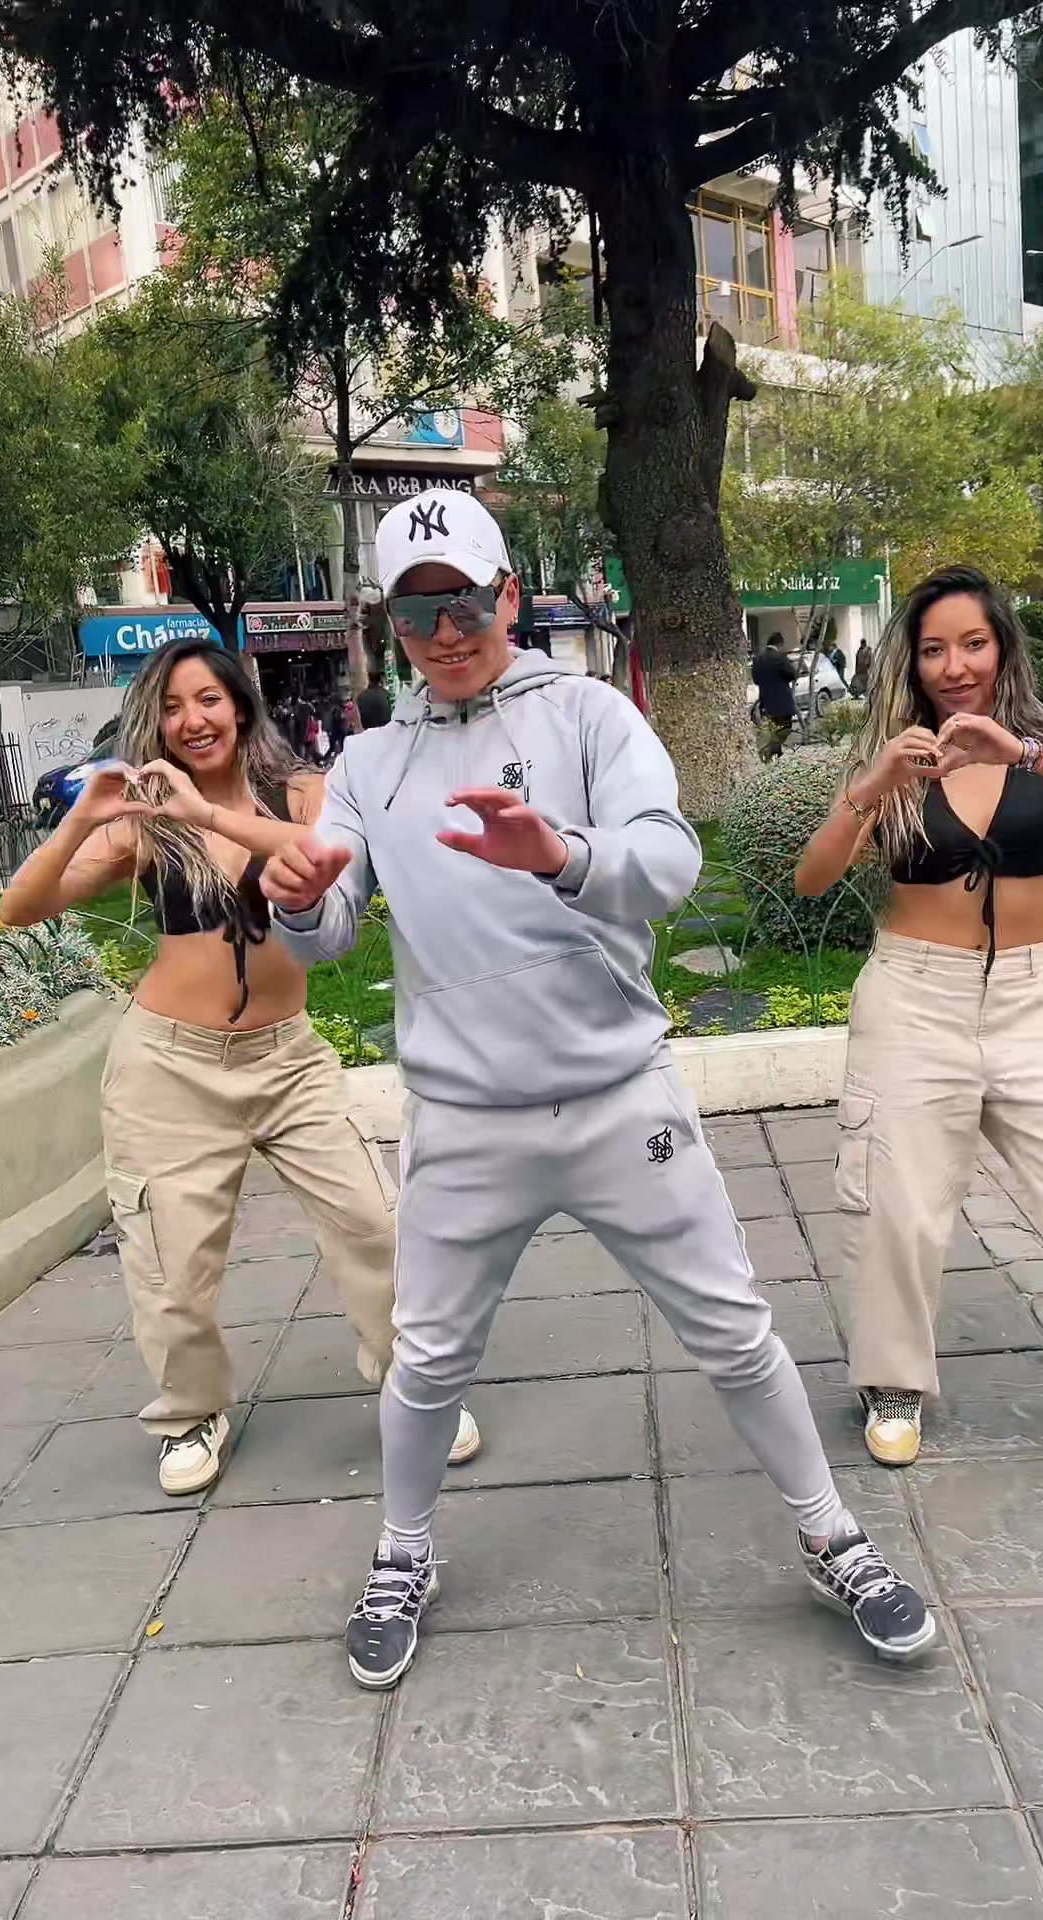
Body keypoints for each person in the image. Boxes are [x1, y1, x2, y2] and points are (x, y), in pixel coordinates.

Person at [261, 485, 935, 1692]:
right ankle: (403, 1550)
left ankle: (831, 1532)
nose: (445, 634)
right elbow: (329, 929)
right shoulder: (367, 762)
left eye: (466, 604)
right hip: (466, 1121)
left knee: (733, 1329)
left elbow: (669, 861)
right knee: (427, 1360)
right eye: (416, 615)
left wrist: (561, 855)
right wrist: (303, 899)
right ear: (388, 625)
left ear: (509, 595)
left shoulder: (588, 716)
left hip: (621, 1098)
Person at [0, 639, 480, 1495]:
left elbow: (333, 861)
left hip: (287, 1059)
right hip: (169, 1068)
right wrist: (85, 817)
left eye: (208, 699)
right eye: (172, 707)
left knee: (375, 1223)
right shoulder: (146, 821)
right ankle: (190, 1413)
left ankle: (415, 1386)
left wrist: (212, 816)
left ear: (241, 705)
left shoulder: (301, 792)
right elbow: (20, 907)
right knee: (171, 1264)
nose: (192, 720)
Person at [795, 565, 1043, 1467]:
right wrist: (873, 784)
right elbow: (813, 878)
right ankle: (893, 1381)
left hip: (1034, 997)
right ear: (912, 663)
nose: (955, 666)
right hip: (915, 999)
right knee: (899, 1206)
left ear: (1003, 648)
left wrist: (1016, 750)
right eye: (934, 650)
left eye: (973, 644)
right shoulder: (898, 759)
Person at [752, 632, 797, 759]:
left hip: (766, 699)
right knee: (785, 728)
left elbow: (756, 679)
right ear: (780, 644)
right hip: (782, 699)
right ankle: (773, 750)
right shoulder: (780, 657)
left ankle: (774, 751)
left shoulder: (758, 659)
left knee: (773, 727)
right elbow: (792, 674)